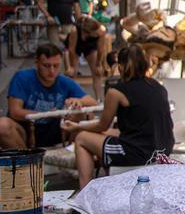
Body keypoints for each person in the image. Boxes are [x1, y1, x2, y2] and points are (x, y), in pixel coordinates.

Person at [62, 44, 175, 188]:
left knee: (82, 138)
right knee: (107, 134)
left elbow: (102, 125)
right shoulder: (159, 87)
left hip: (138, 153)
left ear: (120, 66)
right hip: (163, 149)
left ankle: (85, 190)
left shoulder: (116, 92)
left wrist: (77, 127)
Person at [0, 43, 96, 149]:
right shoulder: (22, 78)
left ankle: (72, 154)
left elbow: (92, 102)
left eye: (56, 66)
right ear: (37, 63)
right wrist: (47, 114)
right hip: (25, 130)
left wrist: (78, 101)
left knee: (85, 114)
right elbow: (14, 112)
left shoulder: (65, 82)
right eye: (46, 65)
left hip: (55, 130)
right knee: (1, 125)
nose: (52, 71)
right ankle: (27, 161)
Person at [38, 0, 80, 70]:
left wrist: (79, 20)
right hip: (54, 24)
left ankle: (70, 69)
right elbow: (40, 2)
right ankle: (56, 70)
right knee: (55, 48)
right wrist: (48, 16)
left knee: (71, 47)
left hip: (68, 23)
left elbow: (76, 7)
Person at [67, 15, 108, 99]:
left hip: (90, 46)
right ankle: (71, 97)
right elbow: (71, 50)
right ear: (88, 32)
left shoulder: (101, 30)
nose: (97, 34)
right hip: (76, 45)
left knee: (97, 73)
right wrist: (71, 66)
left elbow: (101, 49)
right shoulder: (75, 30)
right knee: (72, 73)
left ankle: (99, 99)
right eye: (95, 33)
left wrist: (98, 64)